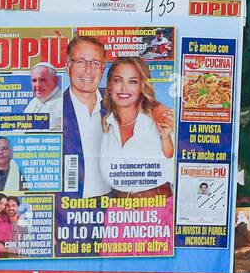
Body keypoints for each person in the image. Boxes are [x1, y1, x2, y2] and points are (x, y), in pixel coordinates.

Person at [98, 56, 175, 195]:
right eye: (117, 80)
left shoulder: (161, 122)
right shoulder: (106, 123)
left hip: (157, 208)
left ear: (142, 86)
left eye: (132, 81)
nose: (124, 88)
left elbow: (176, 172)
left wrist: (158, 109)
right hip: (117, 210)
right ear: (109, 86)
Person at [63, 36, 111, 198]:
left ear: (103, 69)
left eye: (95, 63)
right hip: (68, 210)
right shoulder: (54, 110)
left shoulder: (117, 101)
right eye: (81, 62)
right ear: (68, 65)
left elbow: (147, 103)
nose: (88, 70)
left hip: (112, 209)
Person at [22, 61, 62, 129]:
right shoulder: (34, 102)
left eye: (42, 80)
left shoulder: (63, 103)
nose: (37, 85)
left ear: (55, 80)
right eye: (34, 80)